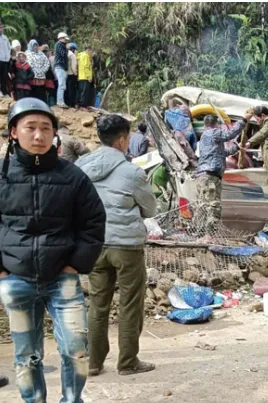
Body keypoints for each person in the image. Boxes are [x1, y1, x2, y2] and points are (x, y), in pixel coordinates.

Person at [0, 98, 106, 402]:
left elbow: (93, 222)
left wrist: (76, 264)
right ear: (14, 132)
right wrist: (2, 271)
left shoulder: (72, 176)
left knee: (76, 350)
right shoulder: (2, 175)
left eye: (46, 128)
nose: (39, 135)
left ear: (55, 133)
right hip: (16, 279)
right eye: (30, 127)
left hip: (62, 278)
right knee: (26, 354)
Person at [76, 114, 157, 377]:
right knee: (130, 304)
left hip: (94, 244)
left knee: (97, 304)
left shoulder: (80, 166)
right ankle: (127, 362)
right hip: (126, 246)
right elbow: (150, 209)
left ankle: (94, 362)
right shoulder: (132, 172)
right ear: (122, 139)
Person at [194, 113, 249, 231]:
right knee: (213, 206)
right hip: (211, 175)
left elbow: (222, 153)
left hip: (203, 175)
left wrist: (237, 147)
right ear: (216, 124)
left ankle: (200, 232)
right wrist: (244, 120)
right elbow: (229, 134)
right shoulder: (214, 132)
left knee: (203, 205)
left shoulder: (204, 136)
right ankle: (210, 234)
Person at [54, 32, 70, 108]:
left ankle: (61, 101)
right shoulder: (59, 44)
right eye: (65, 39)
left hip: (62, 67)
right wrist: (67, 49)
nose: (66, 41)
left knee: (62, 85)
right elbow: (63, 54)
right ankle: (60, 102)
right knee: (61, 85)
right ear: (61, 38)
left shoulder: (62, 45)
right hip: (60, 67)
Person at [65, 42, 78, 108]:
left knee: (67, 89)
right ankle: (72, 104)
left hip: (66, 74)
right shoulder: (72, 55)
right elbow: (73, 66)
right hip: (71, 74)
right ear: (73, 49)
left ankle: (67, 103)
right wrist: (76, 74)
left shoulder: (66, 53)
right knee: (72, 90)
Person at [0, 22, 11, 97]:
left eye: (1, 27)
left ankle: (4, 91)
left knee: (4, 77)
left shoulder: (5, 37)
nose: (1, 29)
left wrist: (8, 56)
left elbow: (9, 48)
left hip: (6, 60)